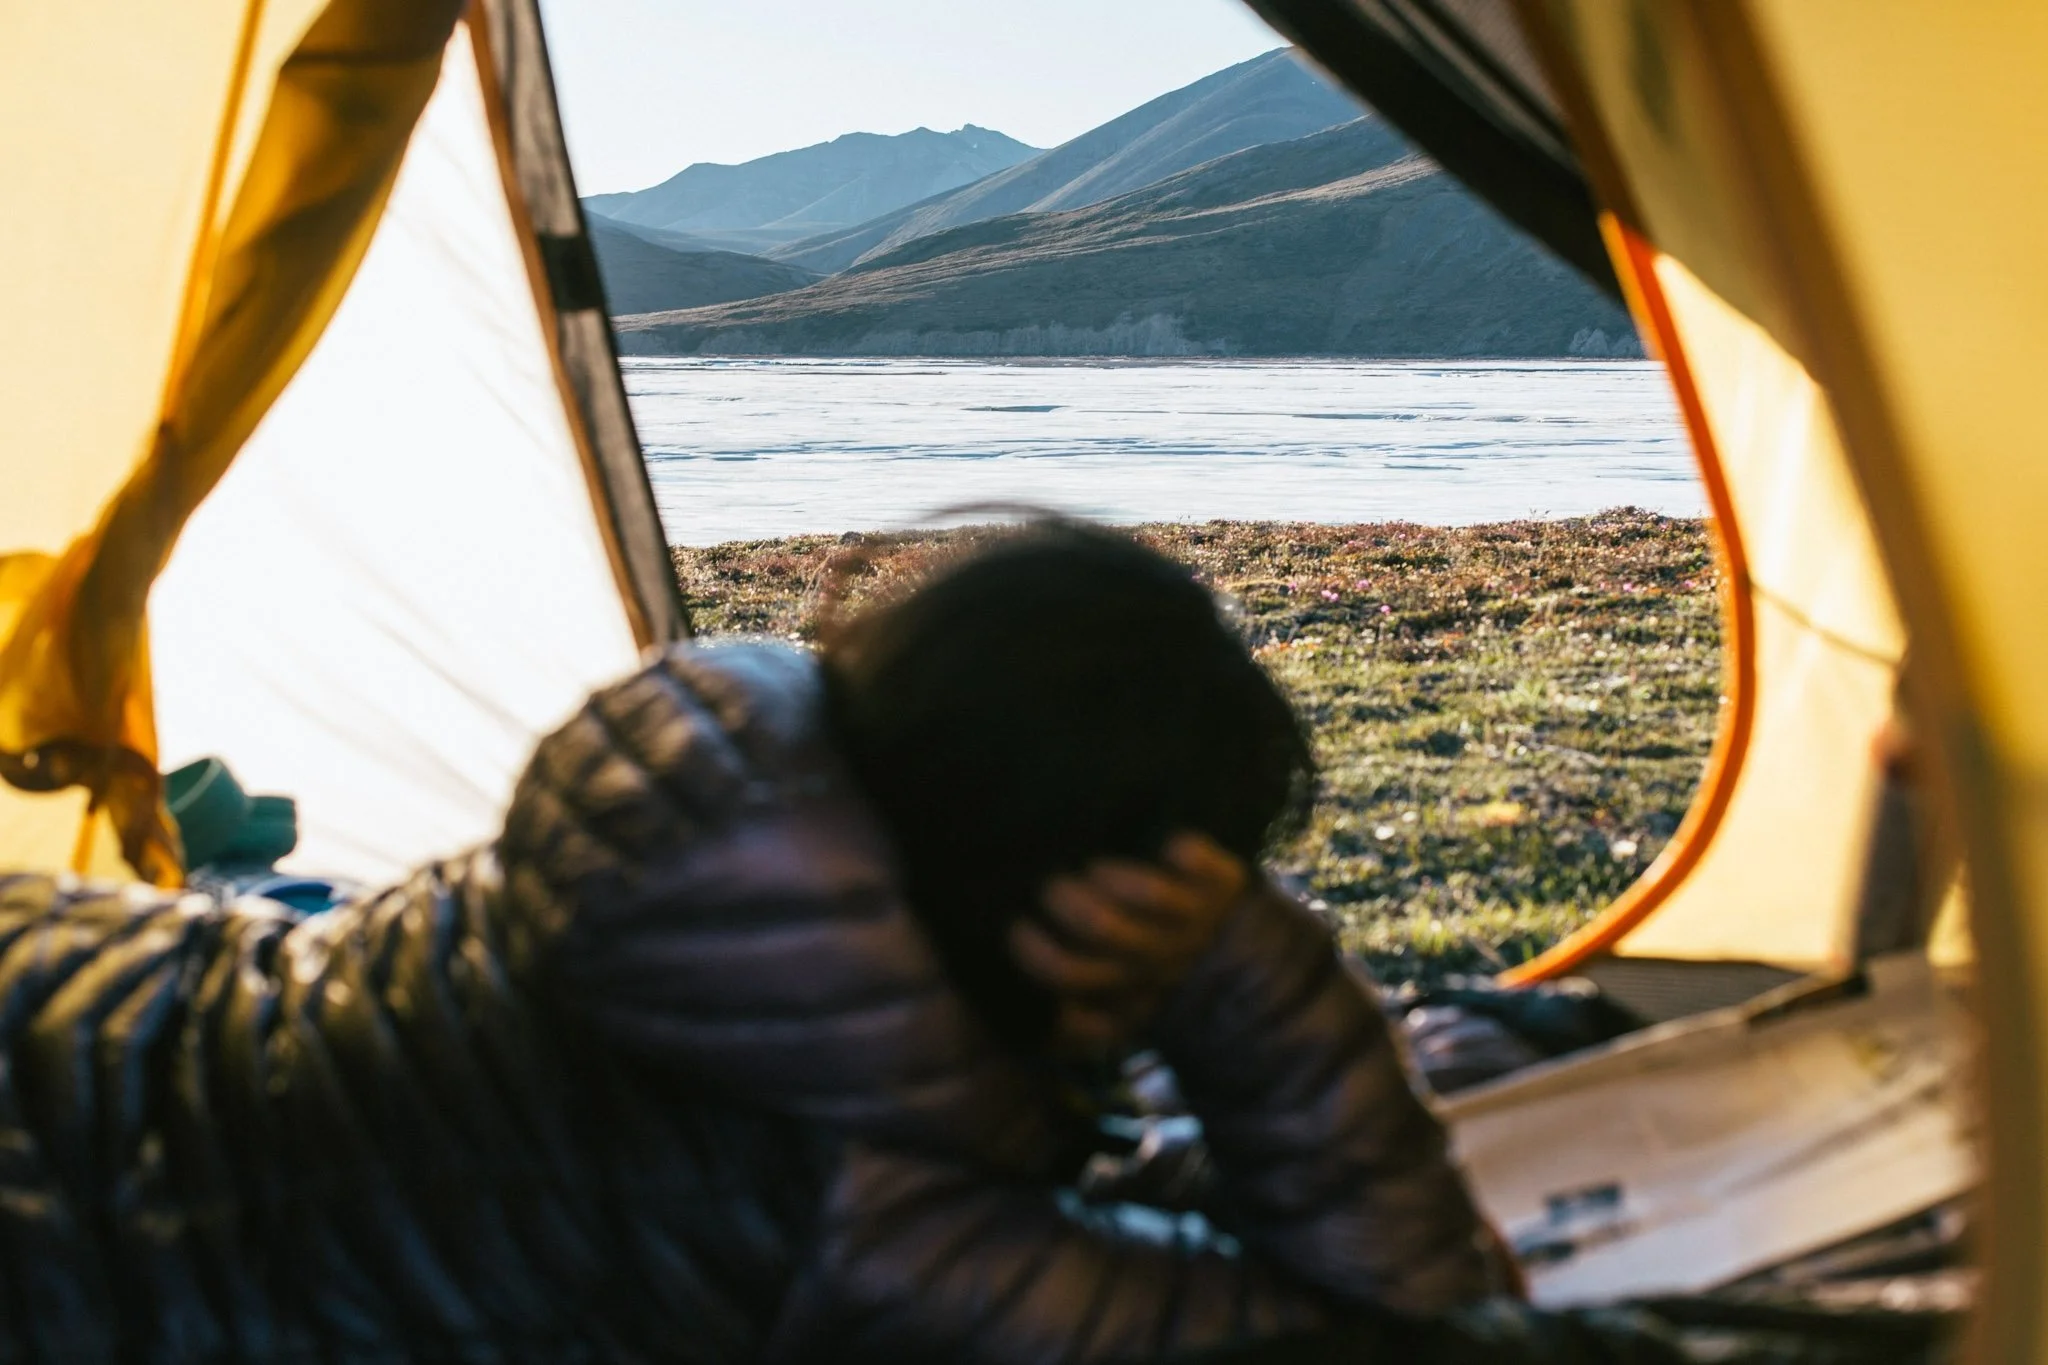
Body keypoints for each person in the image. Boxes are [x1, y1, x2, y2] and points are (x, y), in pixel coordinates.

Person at [0, 522, 1505, 1362]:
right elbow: (1407, 1313)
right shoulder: (864, 1231)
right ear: (1073, 901)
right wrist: (1254, 983)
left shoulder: (673, 803)